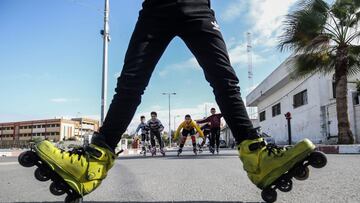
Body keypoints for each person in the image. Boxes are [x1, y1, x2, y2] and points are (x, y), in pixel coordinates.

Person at [30, 0, 320, 201]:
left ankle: (259, 158)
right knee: (130, 83)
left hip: (199, 9)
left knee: (225, 79)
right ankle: (91, 163)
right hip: (155, 10)